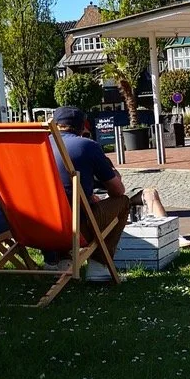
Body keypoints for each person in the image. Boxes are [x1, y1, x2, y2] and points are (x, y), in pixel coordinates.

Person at [50, 106, 131, 281]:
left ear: (55, 125)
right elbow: (117, 190)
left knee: (67, 204)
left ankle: (63, 261)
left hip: (36, 226)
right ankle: (99, 265)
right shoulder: (86, 145)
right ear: (82, 127)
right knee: (123, 202)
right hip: (74, 228)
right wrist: (112, 171)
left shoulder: (37, 146)